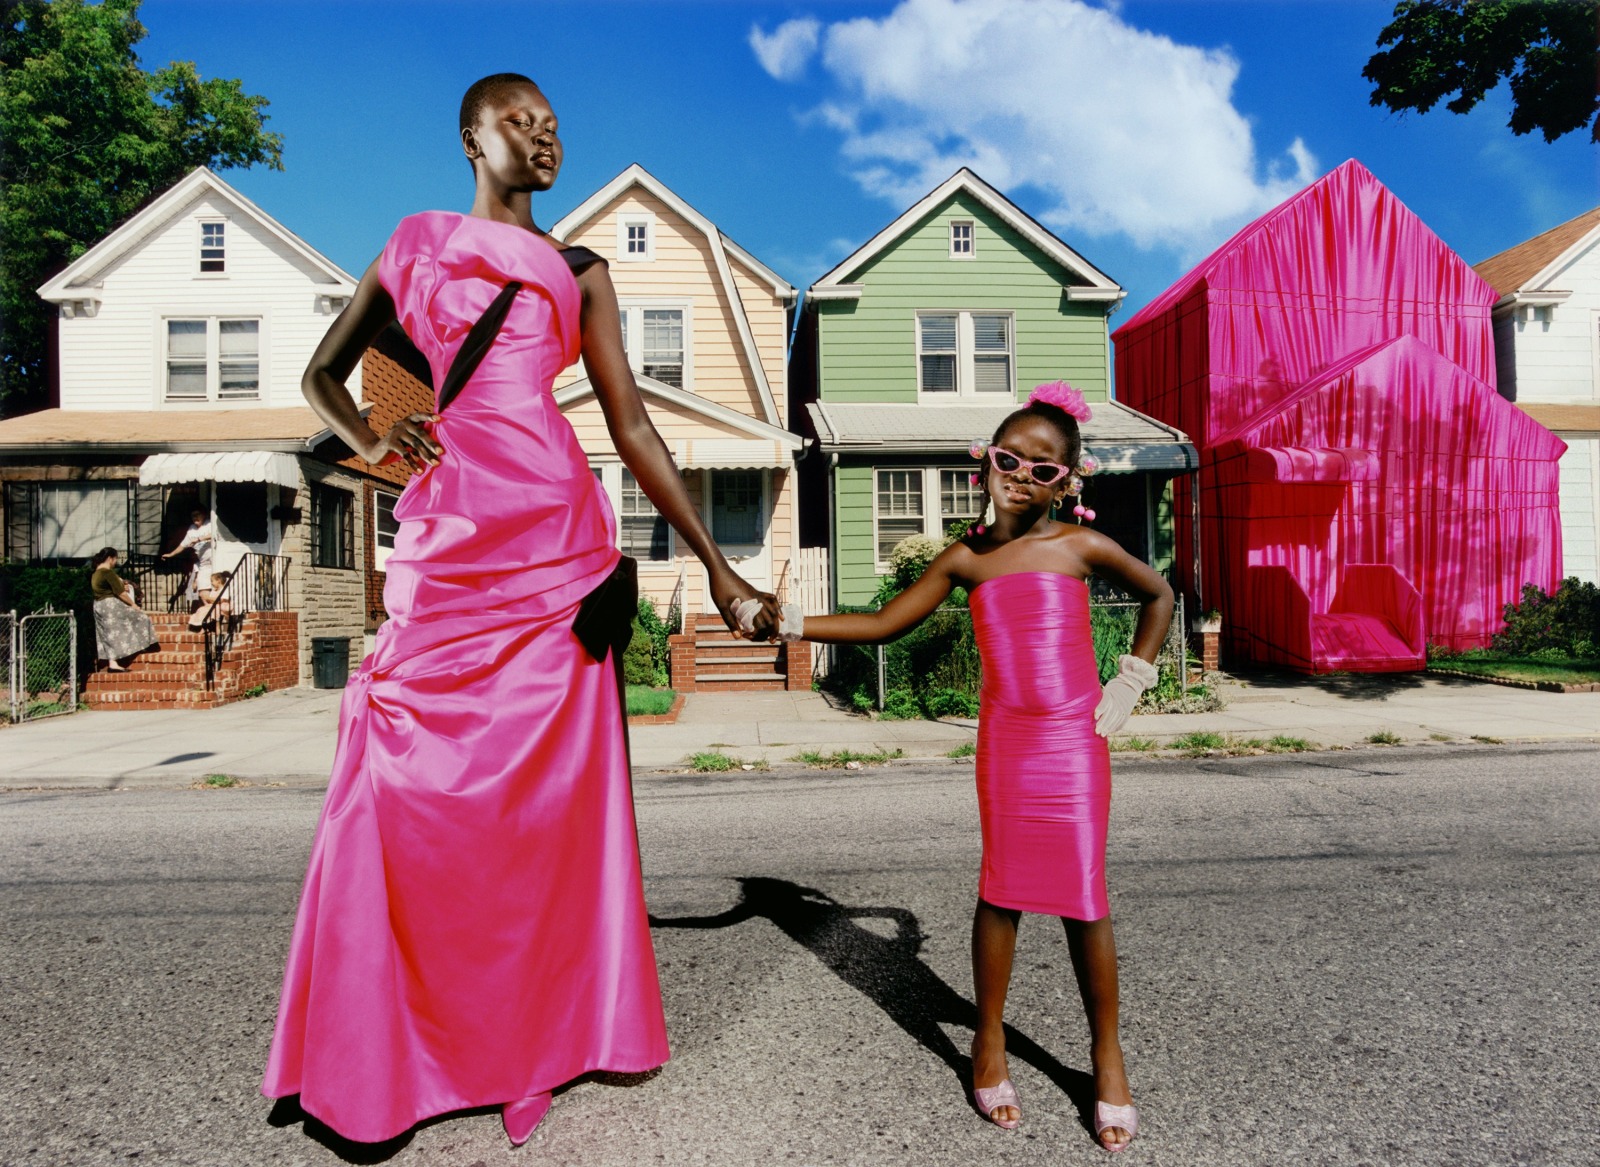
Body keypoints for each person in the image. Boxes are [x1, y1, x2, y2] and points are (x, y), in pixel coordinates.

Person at [261, 73, 779, 1147]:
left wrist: (718, 566)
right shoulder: (412, 244)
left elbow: (633, 427)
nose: (544, 140)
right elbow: (322, 372)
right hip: (452, 544)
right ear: (469, 138)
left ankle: (562, 1029)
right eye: (521, 123)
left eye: (554, 127)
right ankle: (383, 1044)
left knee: (551, 809)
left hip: (556, 543)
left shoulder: (581, 273)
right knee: (400, 779)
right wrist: (370, 440)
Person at [795, 383, 1173, 1153]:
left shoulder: (1079, 545)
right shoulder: (965, 557)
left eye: (1045, 469)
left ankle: (1107, 1056)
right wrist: (790, 619)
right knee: (1000, 890)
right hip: (1007, 744)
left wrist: (1132, 677)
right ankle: (988, 1039)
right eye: (1010, 459)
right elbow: (879, 625)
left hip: (1074, 740)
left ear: (1069, 481)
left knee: (1083, 897)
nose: (1023, 476)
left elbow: (1159, 593)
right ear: (985, 462)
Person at [88, 547, 157, 671]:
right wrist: (133, 605)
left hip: (98, 605)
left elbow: (109, 587)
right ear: (110, 559)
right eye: (115, 559)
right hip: (111, 605)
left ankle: (112, 662)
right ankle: (143, 645)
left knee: (108, 634)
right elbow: (121, 593)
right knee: (141, 618)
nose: (116, 563)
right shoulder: (107, 572)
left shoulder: (95, 574)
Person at [162, 509, 214, 604]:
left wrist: (198, 539)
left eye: (197, 514)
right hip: (204, 564)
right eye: (193, 515)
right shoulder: (192, 529)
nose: (195, 517)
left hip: (215, 561)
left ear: (204, 515)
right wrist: (171, 554)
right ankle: (209, 610)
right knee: (202, 591)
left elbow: (215, 534)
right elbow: (183, 545)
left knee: (216, 588)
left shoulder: (209, 523)